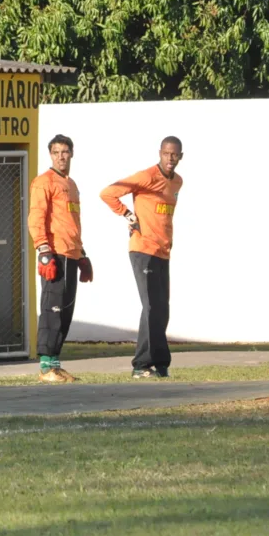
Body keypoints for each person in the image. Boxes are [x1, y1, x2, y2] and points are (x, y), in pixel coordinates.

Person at [100, 137, 184, 379]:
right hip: (142, 249)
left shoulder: (177, 182)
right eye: (166, 153)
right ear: (160, 153)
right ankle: (140, 365)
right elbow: (108, 193)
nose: (170, 158)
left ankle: (160, 362)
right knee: (149, 306)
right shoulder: (146, 176)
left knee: (162, 308)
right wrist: (127, 214)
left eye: (174, 154)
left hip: (162, 251)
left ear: (181, 157)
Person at [27, 134, 93, 383]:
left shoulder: (72, 184)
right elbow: (36, 217)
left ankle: (55, 362)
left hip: (71, 253)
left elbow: (72, 223)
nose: (61, 156)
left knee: (66, 311)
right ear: (50, 154)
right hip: (54, 253)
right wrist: (43, 251)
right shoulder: (44, 182)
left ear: (72, 153)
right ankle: (45, 366)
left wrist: (83, 254)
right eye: (56, 152)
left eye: (65, 152)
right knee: (51, 309)